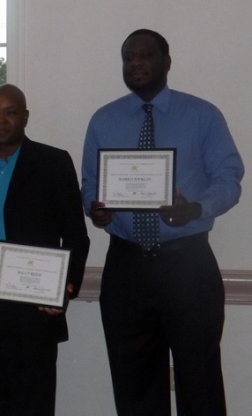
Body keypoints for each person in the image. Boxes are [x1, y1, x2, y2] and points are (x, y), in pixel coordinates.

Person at [81, 29, 244, 416]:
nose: (136, 63)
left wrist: (197, 208)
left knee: (199, 381)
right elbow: (90, 183)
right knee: (134, 385)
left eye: (145, 55)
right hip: (126, 268)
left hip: (187, 265)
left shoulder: (203, 115)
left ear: (166, 62)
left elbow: (229, 177)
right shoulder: (103, 120)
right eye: (128, 57)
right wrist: (95, 208)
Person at [0, 84, 90, 416]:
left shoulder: (53, 163)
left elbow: (76, 234)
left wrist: (64, 290)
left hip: (35, 304)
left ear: (25, 117)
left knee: (34, 404)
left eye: (9, 112)